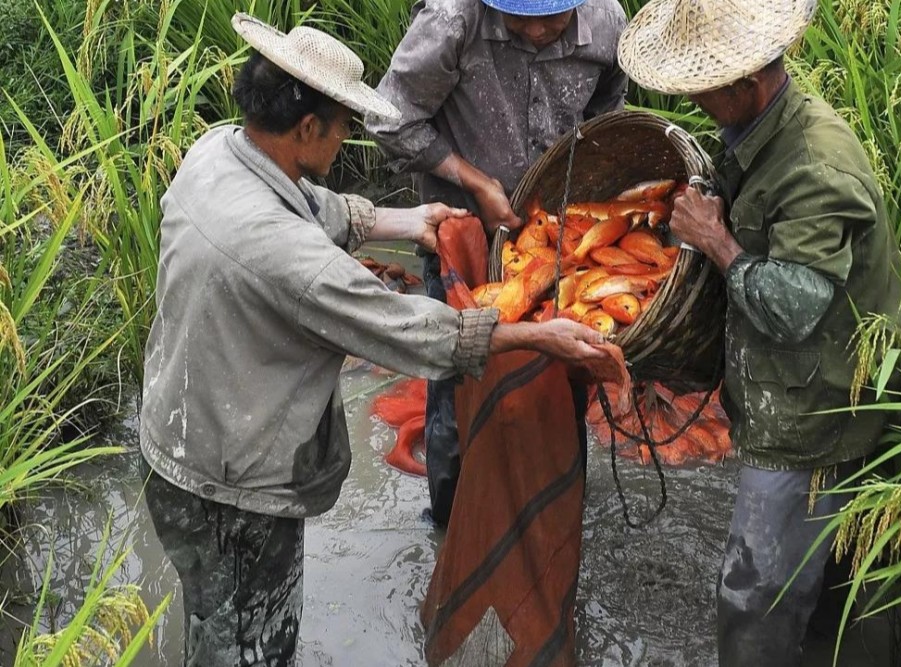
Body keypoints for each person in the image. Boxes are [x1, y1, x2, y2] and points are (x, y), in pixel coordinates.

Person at [139, 14, 610, 667]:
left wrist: (409, 220)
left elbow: (310, 205)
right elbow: (411, 329)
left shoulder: (218, 153)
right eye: (339, 129)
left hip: (176, 442)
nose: (343, 143)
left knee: (212, 620)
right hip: (231, 488)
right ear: (307, 128)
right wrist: (542, 336)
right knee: (251, 646)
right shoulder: (292, 261)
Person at [617, 1, 901, 665]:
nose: (694, 101)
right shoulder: (760, 134)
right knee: (822, 586)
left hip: (813, 412)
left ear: (745, 83)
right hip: (785, 391)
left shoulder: (813, 166)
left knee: (755, 595)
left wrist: (715, 240)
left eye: (702, 91)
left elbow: (794, 308)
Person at [366, 0, 628, 527]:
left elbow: (607, 115)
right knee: (457, 382)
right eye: (519, 16)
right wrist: (477, 182)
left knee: (562, 375)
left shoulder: (607, 23)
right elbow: (388, 119)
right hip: (462, 237)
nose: (534, 30)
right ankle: (454, 522)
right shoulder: (451, 21)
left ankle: (552, 517)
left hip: (558, 243)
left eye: (550, 19)